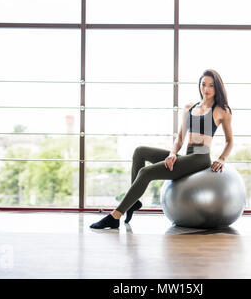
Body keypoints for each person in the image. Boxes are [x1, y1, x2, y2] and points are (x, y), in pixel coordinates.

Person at [90, 69, 233, 229]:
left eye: (211, 86)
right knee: (139, 151)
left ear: (217, 88)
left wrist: (221, 159)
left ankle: (114, 216)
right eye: (203, 84)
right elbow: (179, 138)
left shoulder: (221, 111)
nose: (206, 89)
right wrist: (172, 154)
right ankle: (133, 202)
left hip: (200, 159)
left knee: (145, 173)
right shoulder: (189, 108)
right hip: (187, 157)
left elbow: (229, 141)